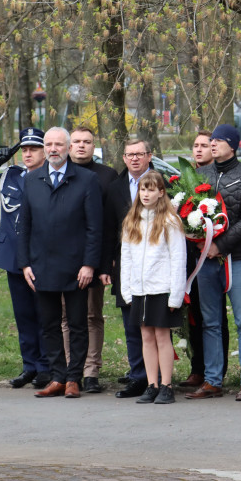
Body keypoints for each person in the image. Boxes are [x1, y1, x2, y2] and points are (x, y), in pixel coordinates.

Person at [18, 127, 103, 398]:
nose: (53, 149)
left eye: (58, 144)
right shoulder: (32, 180)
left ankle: (74, 378)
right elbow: (25, 226)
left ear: (67, 148)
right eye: (49, 144)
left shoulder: (86, 179)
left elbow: (94, 228)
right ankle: (57, 376)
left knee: (78, 324)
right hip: (41, 266)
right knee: (50, 324)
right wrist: (25, 264)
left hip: (76, 268)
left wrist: (89, 264)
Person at [186, 123, 241, 401]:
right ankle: (212, 379)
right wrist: (198, 239)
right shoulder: (200, 175)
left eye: (218, 140)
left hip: (237, 259)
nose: (212, 143)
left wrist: (220, 245)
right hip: (205, 260)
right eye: (211, 140)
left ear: (232, 145)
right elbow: (189, 212)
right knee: (210, 322)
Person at [0, 128, 51, 389]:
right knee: (23, 315)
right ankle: (29, 366)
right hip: (13, 256)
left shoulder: (51, 176)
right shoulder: (10, 176)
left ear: (44, 151)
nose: (28, 153)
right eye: (24, 149)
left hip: (41, 257)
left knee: (43, 314)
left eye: (34, 149)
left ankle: (45, 367)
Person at [120, 171, 187, 405]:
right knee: (145, 337)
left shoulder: (170, 221)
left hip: (162, 289)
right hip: (139, 290)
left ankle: (167, 385)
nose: (146, 194)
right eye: (142, 189)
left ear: (161, 193)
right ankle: (152, 384)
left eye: (151, 189)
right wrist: (126, 290)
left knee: (161, 336)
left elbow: (178, 259)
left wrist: (175, 295)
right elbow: (126, 257)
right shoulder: (132, 221)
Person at [64, 126, 119, 393]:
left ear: (93, 146)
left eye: (87, 142)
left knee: (91, 315)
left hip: (94, 257)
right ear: (68, 145)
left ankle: (90, 371)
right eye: (77, 142)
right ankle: (68, 368)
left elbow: (111, 223)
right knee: (64, 317)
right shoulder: (59, 172)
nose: (81, 146)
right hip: (62, 258)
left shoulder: (107, 176)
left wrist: (106, 261)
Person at [102, 139, 155, 398]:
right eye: (130, 154)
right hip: (125, 265)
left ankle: (159, 378)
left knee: (156, 325)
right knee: (131, 324)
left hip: (157, 266)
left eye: (139, 154)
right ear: (123, 158)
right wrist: (106, 265)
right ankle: (138, 377)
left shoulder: (164, 184)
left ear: (149, 156)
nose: (134, 159)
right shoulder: (115, 188)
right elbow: (108, 230)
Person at [180, 130, 230, 388]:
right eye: (196, 145)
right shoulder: (184, 179)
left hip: (211, 256)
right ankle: (197, 367)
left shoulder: (216, 179)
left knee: (214, 316)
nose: (199, 149)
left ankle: (215, 371)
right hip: (188, 256)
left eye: (205, 145)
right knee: (194, 314)